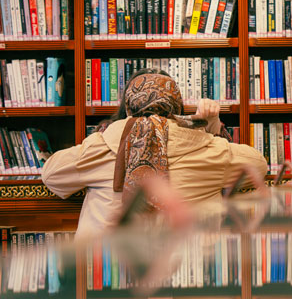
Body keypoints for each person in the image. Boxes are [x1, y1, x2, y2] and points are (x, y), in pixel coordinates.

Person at [41, 69, 268, 236]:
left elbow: (51, 175)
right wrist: (211, 127)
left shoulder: (101, 145)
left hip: (108, 270)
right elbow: (258, 166)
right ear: (177, 108)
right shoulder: (210, 148)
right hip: (189, 270)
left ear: (128, 107)